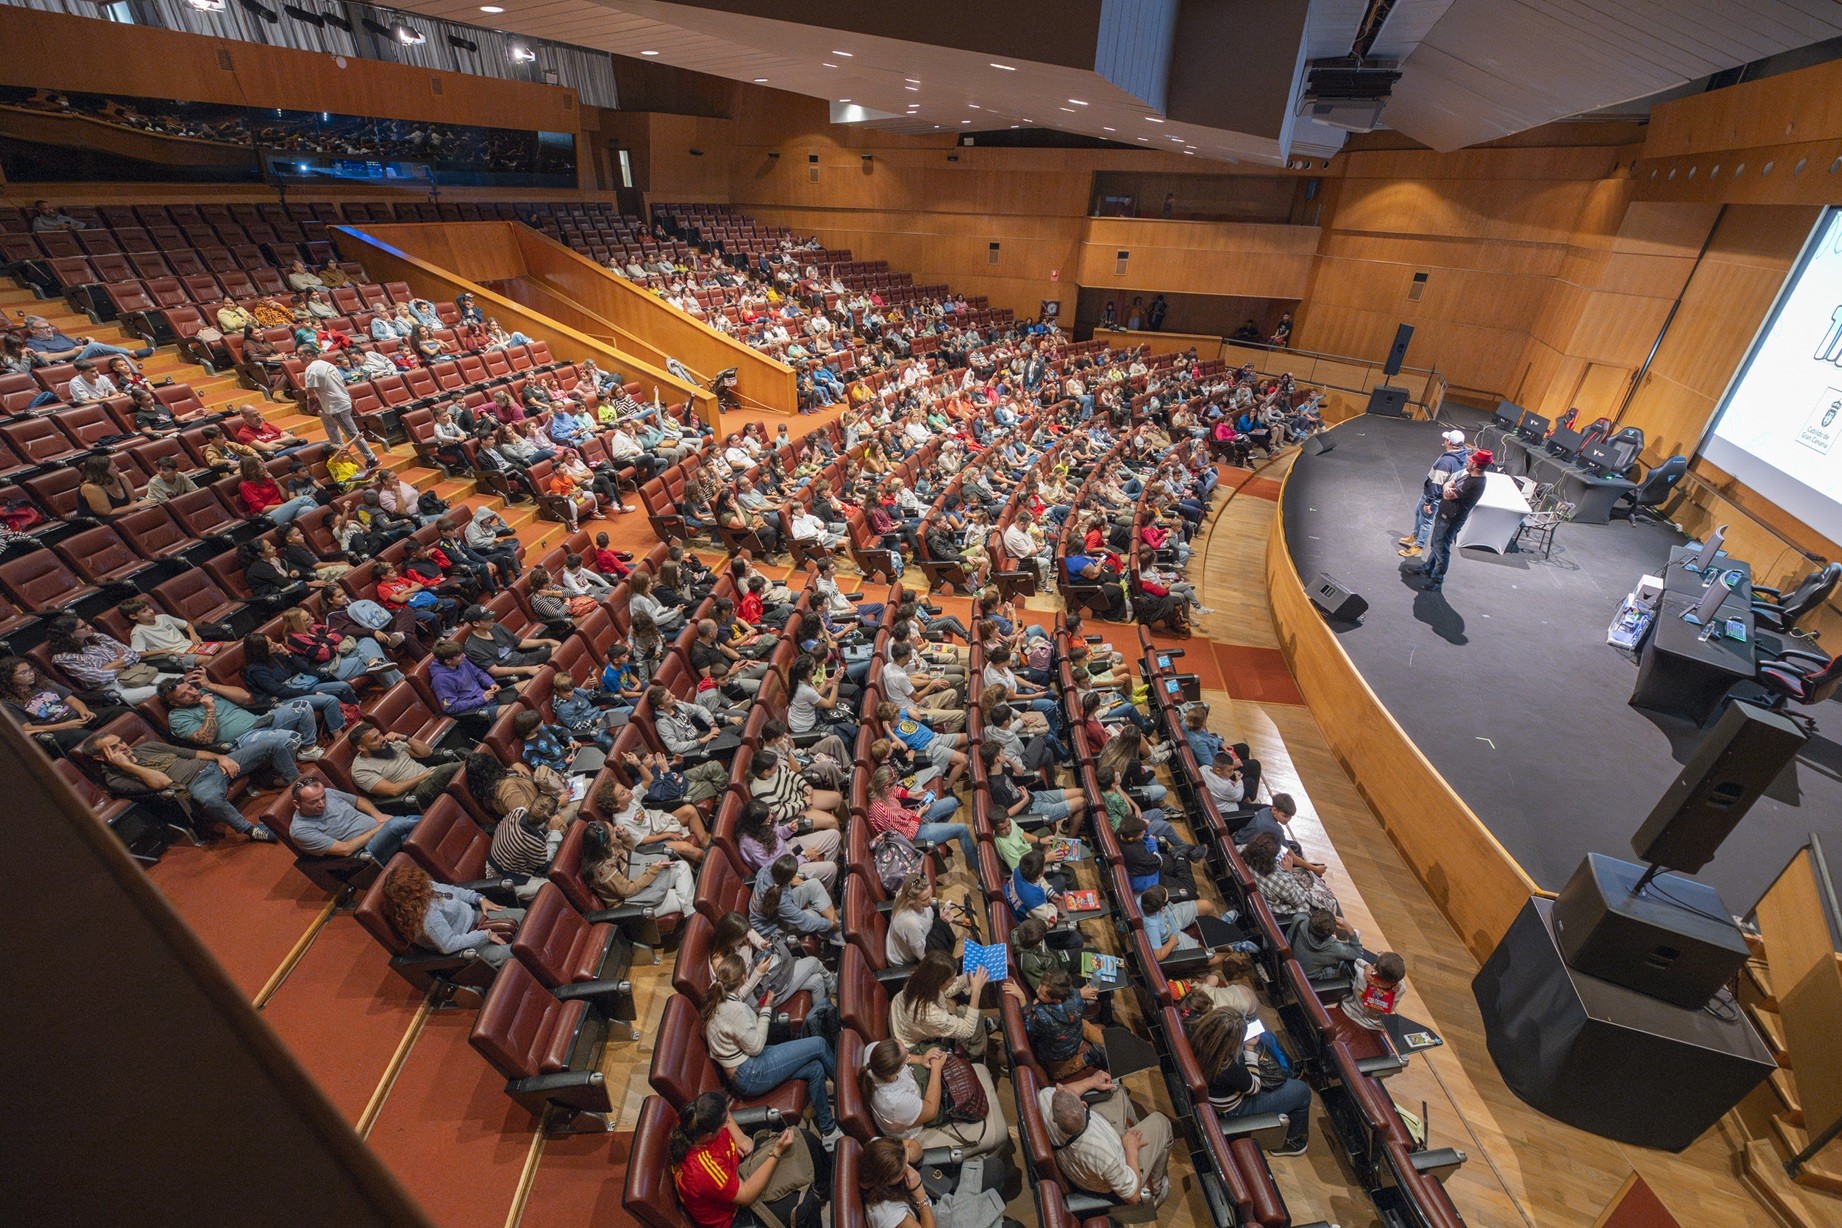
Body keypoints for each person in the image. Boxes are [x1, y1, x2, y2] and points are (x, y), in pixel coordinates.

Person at [702, 953, 841, 1140]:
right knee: (819, 1044)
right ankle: (849, 1094)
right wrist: (767, 1008)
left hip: (745, 1068)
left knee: (814, 1068)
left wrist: (758, 973)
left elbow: (739, 995)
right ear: (742, 976)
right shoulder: (736, 1012)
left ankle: (829, 1130)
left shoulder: (717, 992)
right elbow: (757, 1046)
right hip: (751, 1073)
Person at [79, 729, 284, 842]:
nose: (124, 747)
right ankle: (250, 830)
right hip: (198, 784)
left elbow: (192, 753)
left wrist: (221, 757)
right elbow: (164, 783)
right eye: (114, 748)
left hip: (213, 766)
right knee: (210, 799)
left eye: (121, 741)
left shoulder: (146, 747)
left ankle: (292, 782)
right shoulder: (115, 779)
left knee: (273, 744)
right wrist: (127, 765)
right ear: (100, 757)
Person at [669, 1091, 825, 1228]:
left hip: (740, 1170)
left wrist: (740, 1137)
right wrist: (776, 1152)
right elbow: (746, 1195)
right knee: (806, 1205)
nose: (727, 1122)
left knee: (804, 1139)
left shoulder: (693, 1119)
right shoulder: (703, 1169)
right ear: (709, 1135)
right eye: (724, 1123)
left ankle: (828, 1191)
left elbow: (725, 1112)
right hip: (735, 1214)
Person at [1038, 1073, 1173, 1218]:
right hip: (1116, 1161)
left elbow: (1065, 1095)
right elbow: (1132, 1197)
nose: (1058, 1086)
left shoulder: (1045, 1098)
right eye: (1060, 1089)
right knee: (1161, 1122)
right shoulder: (1103, 1156)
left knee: (1117, 1092)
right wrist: (1131, 1149)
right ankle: (1155, 1191)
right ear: (1083, 1105)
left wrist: (1092, 1080)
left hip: (1100, 1133)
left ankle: (1140, 1139)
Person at [1186, 1005, 1312, 1156]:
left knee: (1264, 1037)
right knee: (1302, 1091)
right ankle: (1290, 1142)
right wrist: (1249, 1050)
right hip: (1234, 1109)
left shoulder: (1191, 1029)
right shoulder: (1228, 1066)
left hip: (1214, 1091)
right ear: (1230, 1042)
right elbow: (1254, 1088)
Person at [859, 1038, 1010, 1160]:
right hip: (917, 1133)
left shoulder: (873, 1051)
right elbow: (931, 1110)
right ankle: (984, 1161)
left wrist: (921, 1059)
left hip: (915, 1097)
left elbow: (905, 1056)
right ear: (897, 1069)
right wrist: (936, 1067)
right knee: (999, 1133)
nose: (908, 1052)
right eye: (905, 1057)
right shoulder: (894, 1101)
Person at [378, 859, 522, 967]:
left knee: (527, 918)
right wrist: (484, 935)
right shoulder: (427, 918)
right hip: (468, 945)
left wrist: (478, 898)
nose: (427, 882)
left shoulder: (427, 887)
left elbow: (454, 891)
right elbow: (449, 945)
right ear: (413, 893)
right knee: (519, 952)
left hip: (476, 916)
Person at [1, 655, 124, 754]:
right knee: (87, 737)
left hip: (78, 717)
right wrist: (65, 725)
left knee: (123, 712)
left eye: (30, 670)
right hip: (57, 730)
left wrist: (84, 711)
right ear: (9, 678)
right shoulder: (8, 703)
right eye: (23, 673)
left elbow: (71, 700)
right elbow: (27, 729)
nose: (31, 673)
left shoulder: (44, 683)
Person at [286, 776, 420, 864]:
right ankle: (438, 823)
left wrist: (377, 815)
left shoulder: (329, 793)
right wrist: (380, 828)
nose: (322, 803)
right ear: (297, 804)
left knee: (417, 836)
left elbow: (358, 801)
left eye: (323, 797)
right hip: (365, 852)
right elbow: (345, 849)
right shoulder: (300, 830)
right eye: (313, 802)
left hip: (383, 831)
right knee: (397, 824)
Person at [1413, 448, 1490, 591]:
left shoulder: (1475, 483)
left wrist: (1447, 488)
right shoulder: (1469, 476)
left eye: (1471, 460)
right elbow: (1448, 485)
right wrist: (1447, 487)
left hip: (1450, 519)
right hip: (1445, 516)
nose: (1468, 461)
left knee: (1442, 548)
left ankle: (1437, 579)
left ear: (1476, 465)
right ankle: (1428, 568)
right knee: (1437, 544)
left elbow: (1448, 494)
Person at [889, 950, 988, 1059]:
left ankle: (986, 1024)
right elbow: (967, 1030)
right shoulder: (930, 1014)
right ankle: (974, 1055)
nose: (955, 980)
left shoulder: (919, 977)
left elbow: (945, 990)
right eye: (951, 979)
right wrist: (976, 991)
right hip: (907, 1038)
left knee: (972, 1015)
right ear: (938, 981)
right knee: (973, 1025)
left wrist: (967, 978)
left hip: (899, 1016)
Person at [349, 723, 463, 813]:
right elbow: (393, 790)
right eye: (375, 739)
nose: (382, 738)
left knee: (462, 753)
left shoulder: (389, 744)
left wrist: (405, 738)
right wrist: (427, 775)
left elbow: (427, 752)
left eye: (379, 734)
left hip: (432, 776)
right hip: (416, 793)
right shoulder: (360, 770)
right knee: (448, 769)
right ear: (362, 747)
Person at [302, 346, 378, 465]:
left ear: (309, 355)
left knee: (352, 434)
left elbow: (310, 392)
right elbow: (342, 381)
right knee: (328, 423)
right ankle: (338, 450)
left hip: (336, 406)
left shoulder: (311, 369)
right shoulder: (327, 364)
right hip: (339, 400)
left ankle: (372, 459)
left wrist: (313, 398)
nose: (298, 357)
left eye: (300, 354)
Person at [459, 605, 556, 683]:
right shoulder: (472, 647)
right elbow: (495, 671)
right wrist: (528, 669)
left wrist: (546, 641)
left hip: (523, 658)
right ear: (476, 624)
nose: (492, 620)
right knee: (548, 674)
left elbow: (520, 642)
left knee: (558, 651)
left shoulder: (495, 627)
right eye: (487, 619)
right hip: (513, 672)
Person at [1341, 951, 1407, 1031]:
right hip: (1375, 1026)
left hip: (1350, 1012)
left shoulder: (1361, 974)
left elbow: (1356, 960)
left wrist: (1366, 966)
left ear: (1374, 966)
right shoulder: (1401, 989)